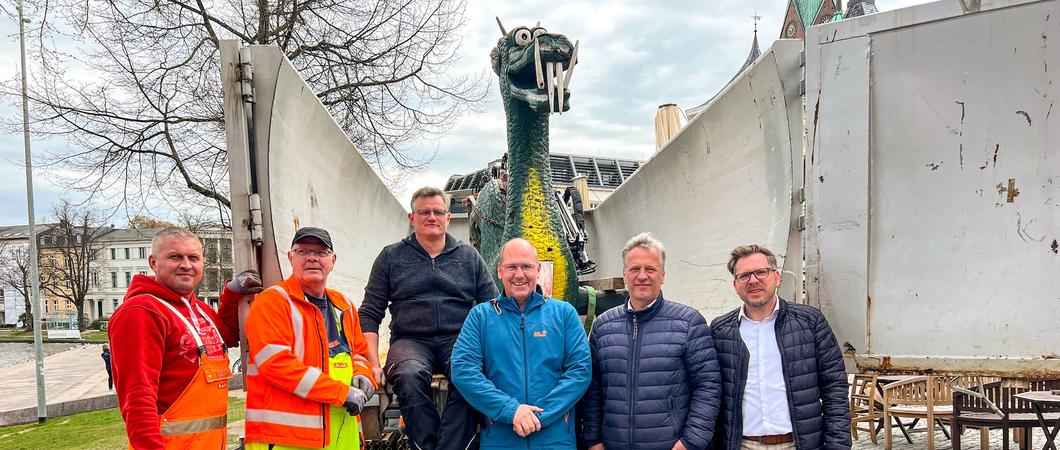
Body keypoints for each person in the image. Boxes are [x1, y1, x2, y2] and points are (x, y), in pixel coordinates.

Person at [360, 186, 499, 450]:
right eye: (424, 212)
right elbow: (370, 312)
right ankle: (424, 444)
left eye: (438, 212)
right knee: (410, 375)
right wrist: (371, 362)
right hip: (409, 340)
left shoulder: (469, 257)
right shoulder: (391, 257)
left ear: (448, 217)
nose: (431, 217)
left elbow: (491, 307)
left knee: (468, 375)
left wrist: (492, 351)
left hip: (459, 338)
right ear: (412, 218)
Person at [109, 227, 251, 449]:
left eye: (193, 258)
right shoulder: (141, 312)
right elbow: (138, 399)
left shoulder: (199, 308)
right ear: (154, 263)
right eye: (175, 257)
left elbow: (228, 337)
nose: (186, 265)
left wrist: (232, 295)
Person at [579, 233, 721, 450]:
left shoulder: (689, 323)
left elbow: (708, 387)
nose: (642, 276)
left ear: (662, 275)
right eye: (634, 269)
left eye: (650, 269)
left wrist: (690, 442)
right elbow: (593, 390)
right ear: (625, 275)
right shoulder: (603, 326)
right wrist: (593, 440)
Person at [450, 238, 591, 448]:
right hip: (501, 439)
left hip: (555, 439)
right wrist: (511, 411)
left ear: (538, 269)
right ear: (499, 271)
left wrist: (537, 417)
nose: (519, 274)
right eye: (511, 267)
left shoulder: (564, 314)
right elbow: (463, 371)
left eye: (526, 266)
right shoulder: (480, 317)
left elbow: (580, 371)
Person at [243, 227, 376, 449]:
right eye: (303, 251)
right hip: (286, 440)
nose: (312, 257)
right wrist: (340, 392)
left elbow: (359, 353)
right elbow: (276, 364)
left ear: (333, 261)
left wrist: (363, 373)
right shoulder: (272, 302)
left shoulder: (344, 306)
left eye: (321, 252)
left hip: (343, 436)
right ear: (290, 257)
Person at [710, 245, 850, 450]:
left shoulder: (810, 322)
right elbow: (710, 393)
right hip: (742, 445)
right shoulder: (720, 331)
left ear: (776, 276)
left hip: (799, 444)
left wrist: (838, 445)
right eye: (744, 275)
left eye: (761, 272)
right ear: (735, 283)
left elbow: (834, 388)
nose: (753, 280)